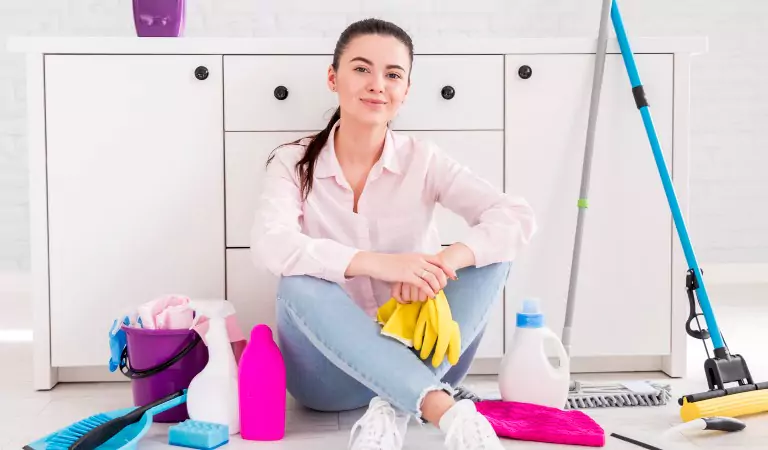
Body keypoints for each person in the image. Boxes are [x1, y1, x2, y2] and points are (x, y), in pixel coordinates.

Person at [251, 18, 537, 450]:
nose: (377, 85)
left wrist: (439, 265)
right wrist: (381, 264)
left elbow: (515, 216)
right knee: (298, 282)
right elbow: (271, 244)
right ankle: (442, 410)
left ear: (405, 92)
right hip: (329, 379)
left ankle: (396, 403)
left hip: (426, 358)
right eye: (362, 69)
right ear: (333, 78)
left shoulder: (424, 160)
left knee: (494, 253)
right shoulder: (292, 163)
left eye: (393, 75)